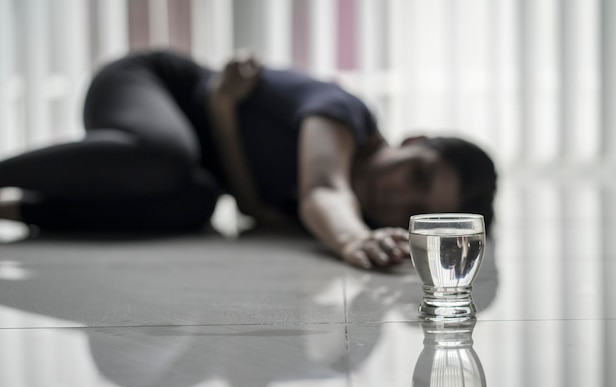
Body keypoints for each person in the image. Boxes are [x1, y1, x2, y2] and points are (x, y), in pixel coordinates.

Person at [0, 50, 497, 269]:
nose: (397, 195)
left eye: (412, 208)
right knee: (168, 158)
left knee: (193, 207)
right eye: (418, 174)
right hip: (150, 85)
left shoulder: (325, 215)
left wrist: (222, 111)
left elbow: (250, 207)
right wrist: (355, 238)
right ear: (414, 141)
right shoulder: (346, 114)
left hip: (180, 163)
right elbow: (322, 187)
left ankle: (13, 210)